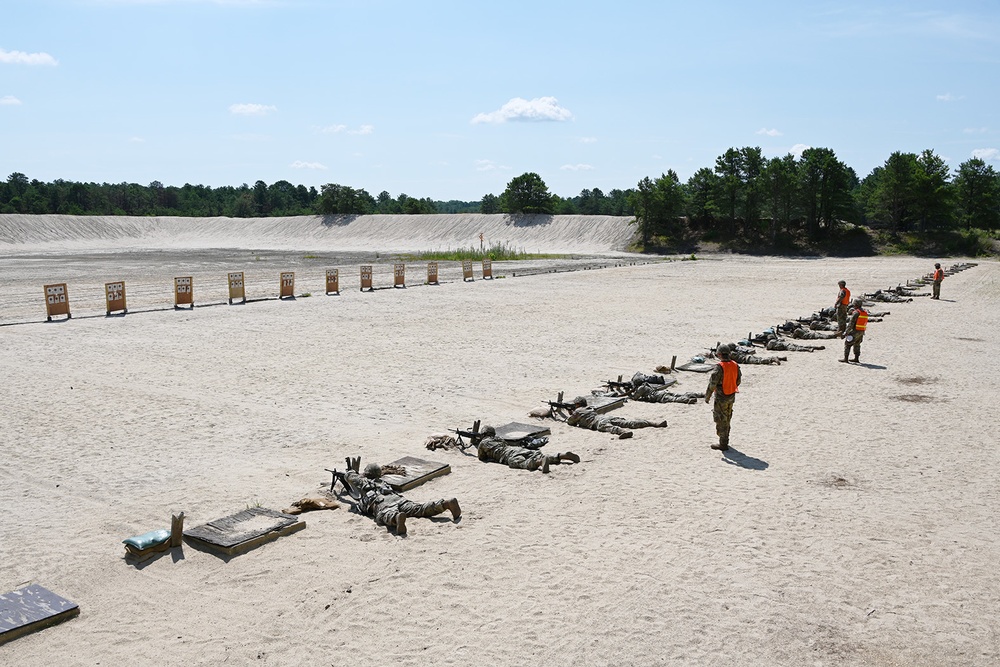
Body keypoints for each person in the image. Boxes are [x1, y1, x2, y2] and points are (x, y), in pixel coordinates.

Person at [337, 459, 461, 535]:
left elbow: (349, 477)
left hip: (382, 502)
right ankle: (445, 504)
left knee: (385, 515)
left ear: (367, 473)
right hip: (398, 499)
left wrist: (351, 472)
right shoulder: (382, 482)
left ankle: (397, 518)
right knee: (419, 509)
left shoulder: (364, 481)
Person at [474, 426, 580, 473]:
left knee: (518, 462)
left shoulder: (483, 443)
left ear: (483, 434)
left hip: (507, 456)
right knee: (538, 455)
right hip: (516, 449)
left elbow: (481, 457)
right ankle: (561, 455)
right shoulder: (499, 439)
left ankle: (539, 463)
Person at [705, 343, 741, 451]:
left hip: (721, 397)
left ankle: (723, 443)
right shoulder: (735, 365)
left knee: (720, 419)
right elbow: (738, 380)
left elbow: (712, 384)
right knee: (728, 417)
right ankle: (725, 440)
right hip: (731, 395)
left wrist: (707, 396)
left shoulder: (719, 367)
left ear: (719, 354)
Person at [566, 404, 668, 439]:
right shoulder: (589, 408)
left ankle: (622, 432)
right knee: (629, 423)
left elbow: (570, 422)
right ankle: (653, 423)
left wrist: (571, 413)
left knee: (608, 428)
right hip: (605, 416)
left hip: (597, 421)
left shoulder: (578, 411)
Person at [839, 297, 868, 363]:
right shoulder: (864, 312)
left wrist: (846, 332)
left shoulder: (856, 313)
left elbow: (851, 324)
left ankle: (846, 359)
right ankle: (856, 358)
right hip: (861, 331)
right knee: (857, 344)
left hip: (855, 331)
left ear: (856, 305)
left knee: (847, 344)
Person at [631, 382, 704, 404]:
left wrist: (631, 392)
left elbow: (635, 398)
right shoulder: (646, 385)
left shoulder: (641, 388)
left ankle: (687, 400)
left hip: (660, 397)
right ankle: (700, 394)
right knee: (681, 394)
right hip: (662, 392)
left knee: (675, 399)